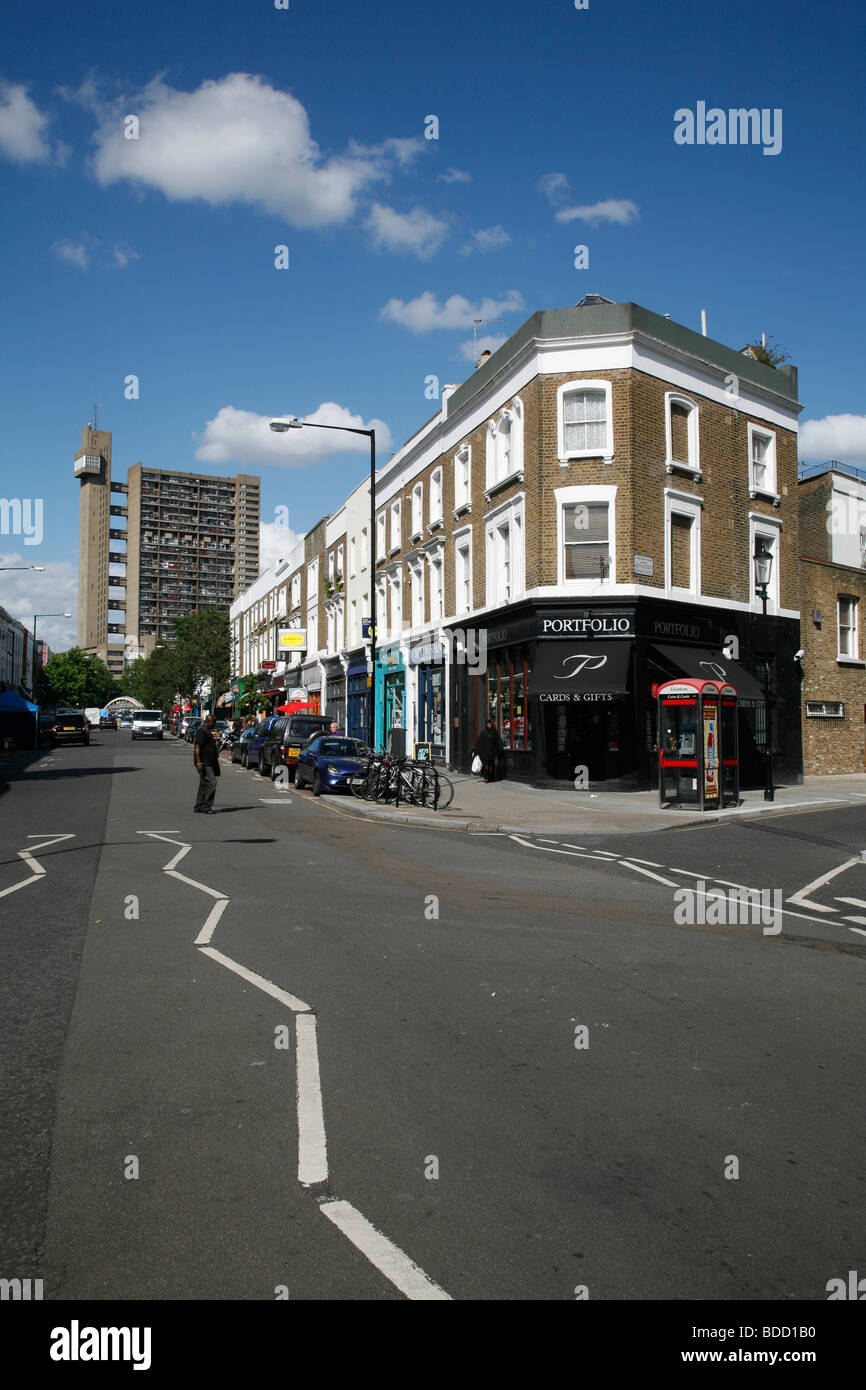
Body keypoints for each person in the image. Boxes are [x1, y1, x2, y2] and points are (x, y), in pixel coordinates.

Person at [193, 713, 221, 813]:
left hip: (209, 761)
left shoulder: (207, 731)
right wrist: (199, 763)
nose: (215, 725)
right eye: (214, 723)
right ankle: (206, 806)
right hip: (205, 762)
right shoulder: (201, 731)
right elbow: (197, 748)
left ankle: (199, 805)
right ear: (209, 722)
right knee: (212, 782)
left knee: (204, 783)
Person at [473, 718, 504, 784]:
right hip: (484, 753)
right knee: (486, 766)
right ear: (486, 725)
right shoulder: (483, 732)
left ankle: (491, 778)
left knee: (491, 766)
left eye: (490, 724)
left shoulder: (495, 732)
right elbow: (479, 743)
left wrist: (499, 750)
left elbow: (498, 741)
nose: (489, 725)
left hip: (492, 753)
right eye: (488, 724)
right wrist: (477, 752)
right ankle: (486, 778)